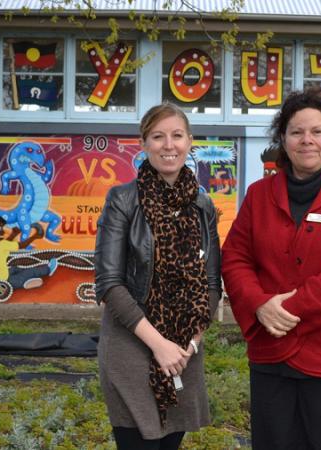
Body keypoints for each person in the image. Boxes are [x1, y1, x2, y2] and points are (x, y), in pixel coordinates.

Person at [222, 90, 321, 450]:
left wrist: (286, 311)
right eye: (296, 132)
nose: (307, 140)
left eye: (317, 131)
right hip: (270, 357)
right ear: (283, 139)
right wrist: (259, 305)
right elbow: (234, 257)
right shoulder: (259, 194)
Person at [94, 103, 221, 449]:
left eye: (177, 135)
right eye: (158, 136)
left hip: (183, 351)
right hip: (132, 346)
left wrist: (188, 345)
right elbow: (109, 283)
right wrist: (159, 346)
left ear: (189, 141)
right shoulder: (123, 200)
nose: (169, 145)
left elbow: (211, 285)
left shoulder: (202, 204)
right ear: (144, 143)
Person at [0, 216, 57, 290]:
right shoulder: (2, 244)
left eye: (2, 228)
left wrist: (13, 234)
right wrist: (35, 236)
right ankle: (47, 270)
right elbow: (22, 245)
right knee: (28, 272)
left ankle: (23, 282)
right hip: (4, 280)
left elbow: (5, 245)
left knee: (15, 268)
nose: (3, 231)